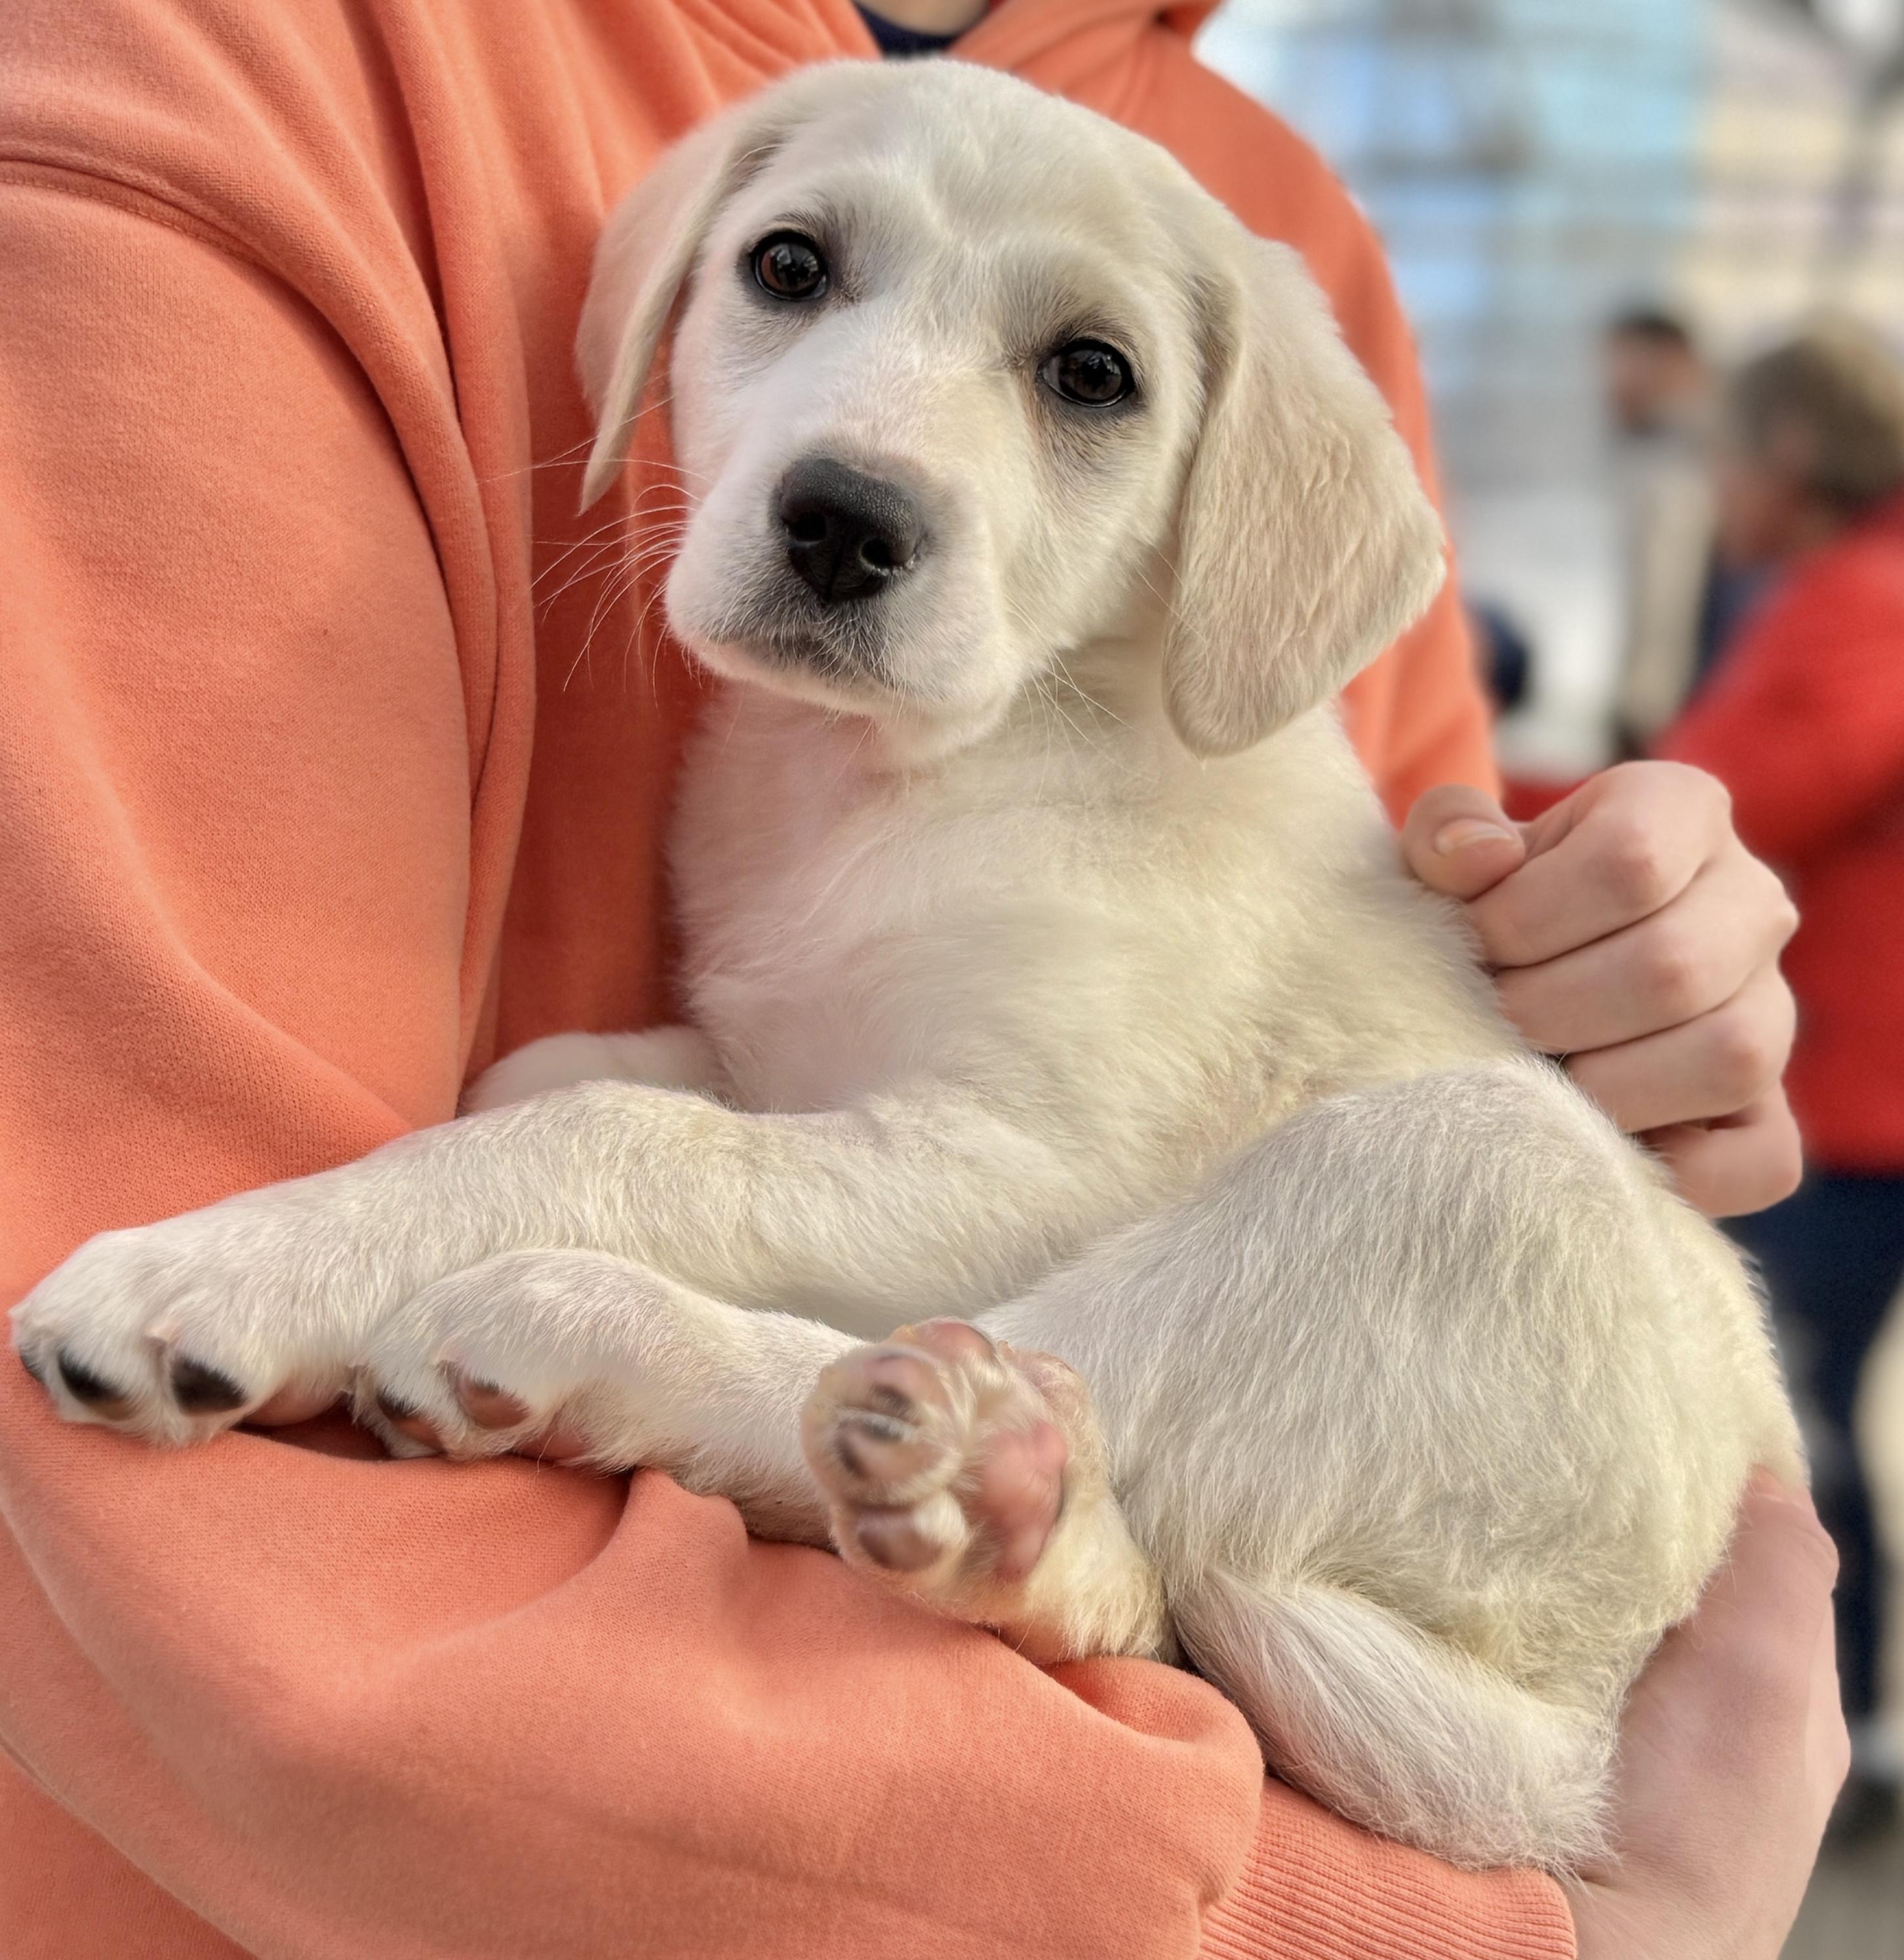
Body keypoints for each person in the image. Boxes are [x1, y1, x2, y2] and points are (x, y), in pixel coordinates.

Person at [0, 1, 1831, 1953]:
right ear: (651, 315)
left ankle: (811, 1424)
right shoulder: (214, 66)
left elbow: (1030, 1172)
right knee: (588, 1105)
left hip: (1498, 1539)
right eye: (793, 273)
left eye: (1081, 375)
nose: (863, 454)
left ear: (1219, 526)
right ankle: (1048, 1520)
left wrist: (1614, 962)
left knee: (1471, 1142)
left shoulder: (1206, 682)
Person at [1659, 317, 1904, 1843]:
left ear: (1791, 460)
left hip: (1848, 1111)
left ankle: (1823, 1739)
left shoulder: (1856, 604)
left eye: (1727, 450)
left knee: (1780, 1427)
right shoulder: (1838, 591)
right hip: (1850, 1097)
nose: (1712, 485)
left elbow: (1711, 804)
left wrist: (1443, 802)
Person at [1602, 307, 1767, 755]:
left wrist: (1643, 711)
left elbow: (1670, 596)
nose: (1611, 386)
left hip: (1686, 718)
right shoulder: (1669, 450)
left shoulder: (1706, 459)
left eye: (1623, 365)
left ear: (1674, 359)